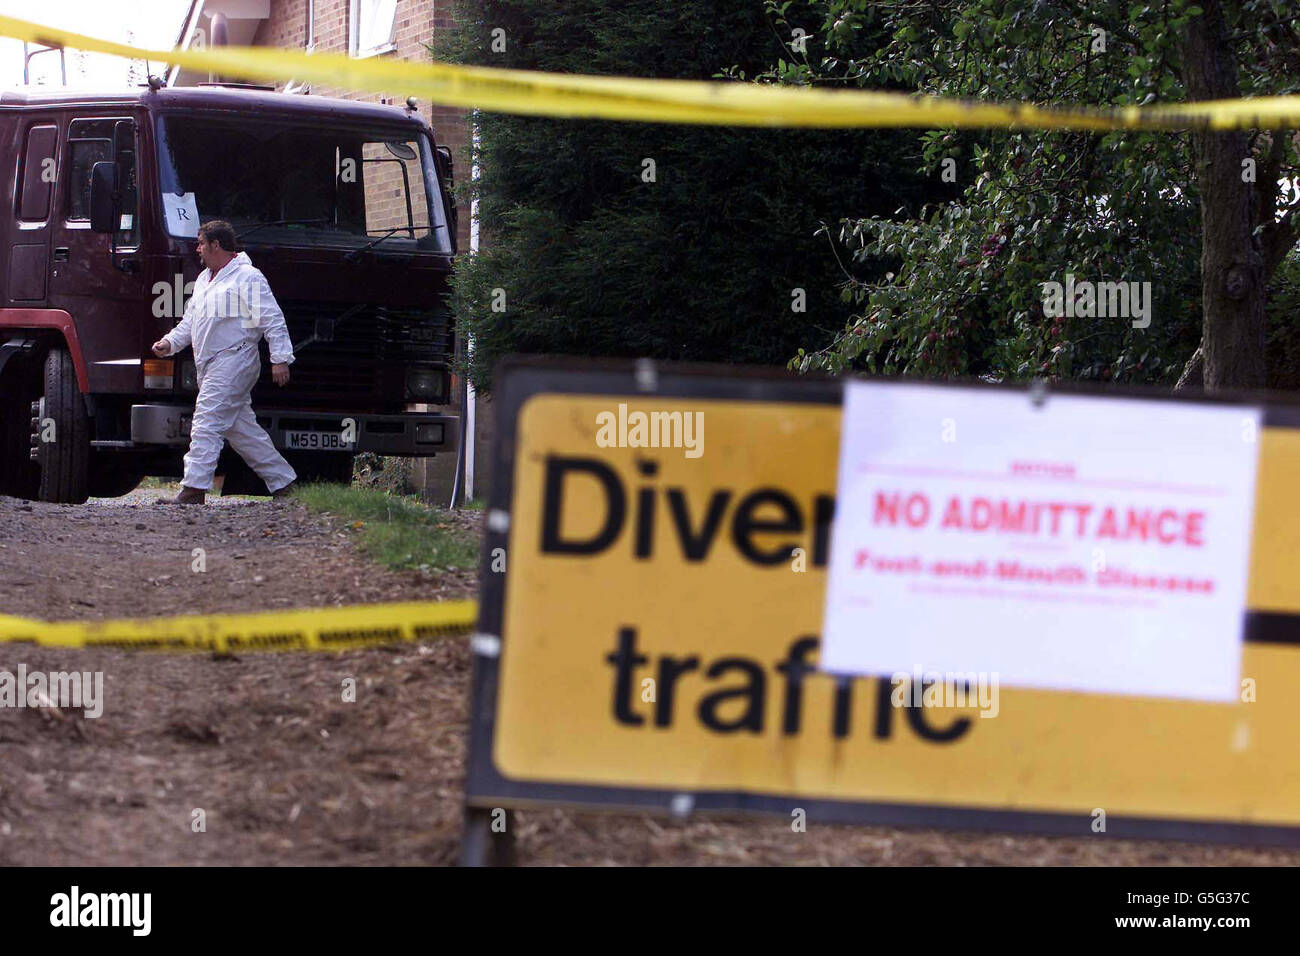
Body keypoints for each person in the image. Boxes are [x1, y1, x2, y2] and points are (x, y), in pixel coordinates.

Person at [151, 220, 298, 505]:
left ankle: (194, 488)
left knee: (205, 420)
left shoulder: (248, 277)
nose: (198, 249)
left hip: (236, 358)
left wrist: (280, 358)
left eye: (201, 243)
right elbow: (191, 321)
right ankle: (285, 484)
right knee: (242, 431)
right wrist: (169, 343)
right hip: (213, 364)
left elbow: (272, 318)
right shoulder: (206, 279)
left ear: (216, 245)